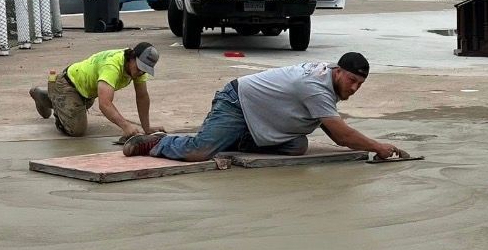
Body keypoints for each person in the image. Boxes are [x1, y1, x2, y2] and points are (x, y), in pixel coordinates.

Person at [123, 51, 409, 162]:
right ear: (337, 72)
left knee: (296, 145)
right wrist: (377, 147)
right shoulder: (315, 86)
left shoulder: (328, 80)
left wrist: (369, 146)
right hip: (237, 103)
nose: (354, 88)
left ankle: (235, 139)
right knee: (199, 151)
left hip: (259, 117)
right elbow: (342, 135)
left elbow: (335, 134)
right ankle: (156, 143)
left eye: (359, 84)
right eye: (351, 80)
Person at [30, 42, 162, 139]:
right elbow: (105, 104)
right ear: (132, 57)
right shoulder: (112, 66)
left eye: (145, 70)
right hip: (68, 85)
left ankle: (53, 97)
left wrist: (147, 128)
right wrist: (126, 126)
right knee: (77, 130)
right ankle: (47, 95)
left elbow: (142, 97)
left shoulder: (137, 68)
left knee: (83, 105)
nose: (141, 72)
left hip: (86, 93)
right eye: (139, 67)